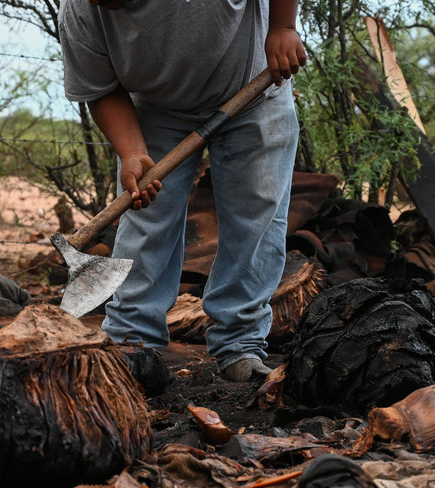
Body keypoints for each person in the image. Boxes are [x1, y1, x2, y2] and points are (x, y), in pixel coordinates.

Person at [58, 0, 306, 382]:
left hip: (253, 88)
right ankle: (133, 343)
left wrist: (283, 27)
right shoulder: (78, 13)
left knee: (256, 218)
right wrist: (133, 152)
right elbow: (100, 86)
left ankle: (240, 345)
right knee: (147, 218)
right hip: (157, 106)